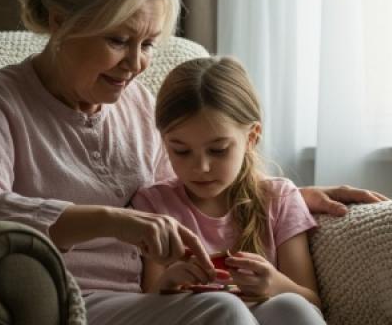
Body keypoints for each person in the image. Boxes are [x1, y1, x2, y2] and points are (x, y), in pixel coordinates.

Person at [0, 0, 385, 325]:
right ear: (60, 22)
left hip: (153, 300)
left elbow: (186, 186)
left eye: (148, 44)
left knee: (285, 310)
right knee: (221, 311)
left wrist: (281, 196)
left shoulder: (137, 103)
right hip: (70, 298)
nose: (136, 64)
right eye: (118, 40)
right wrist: (110, 221)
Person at [133, 57, 324, 324]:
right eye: (181, 151)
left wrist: (275, 283)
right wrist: (170, 281)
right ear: (165, 143)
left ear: (251, 137)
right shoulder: (154, 204)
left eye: (218, 150)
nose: (201, 167)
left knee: (292, 306)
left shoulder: (280, 199)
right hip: (197, 318)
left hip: (270, 316)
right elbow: (147, 306)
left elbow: (312, 302)